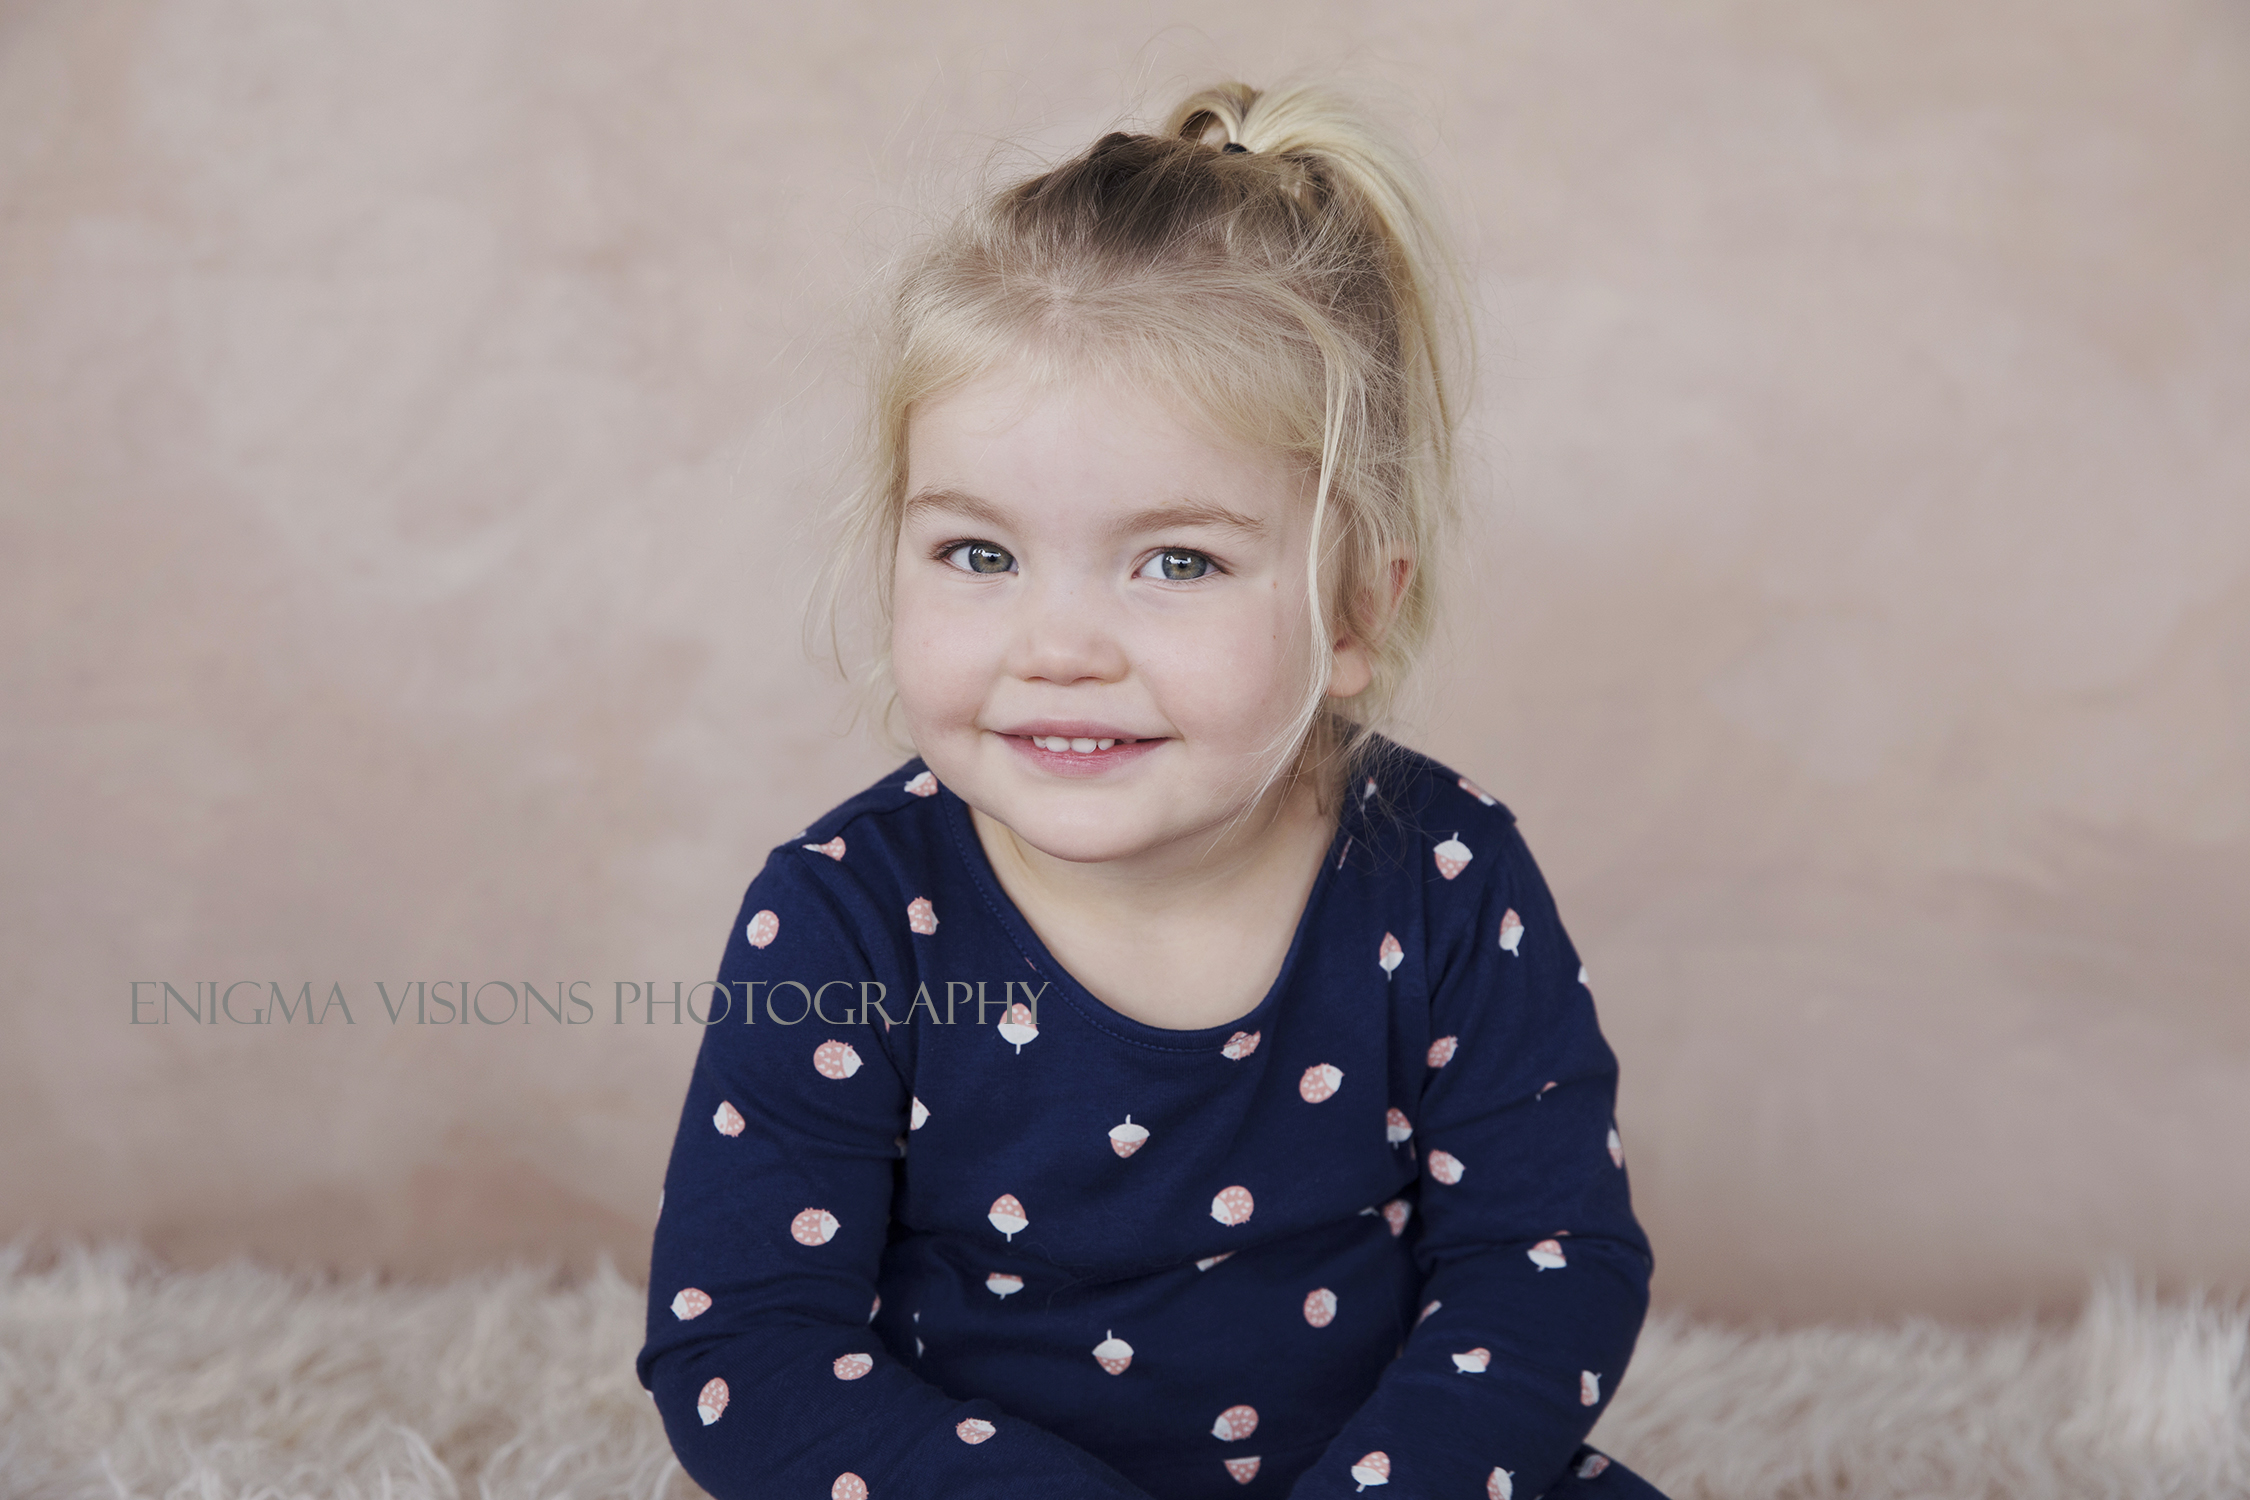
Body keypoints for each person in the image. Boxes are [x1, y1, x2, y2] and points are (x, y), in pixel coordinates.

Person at [636, 79, 1669, 1500]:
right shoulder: (847, 917)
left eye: (1176, 562)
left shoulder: (1443, 871)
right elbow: (748, 1346)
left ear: (1353, 611)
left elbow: (1542, 1267)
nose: (1058, 648)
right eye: (979, 555)